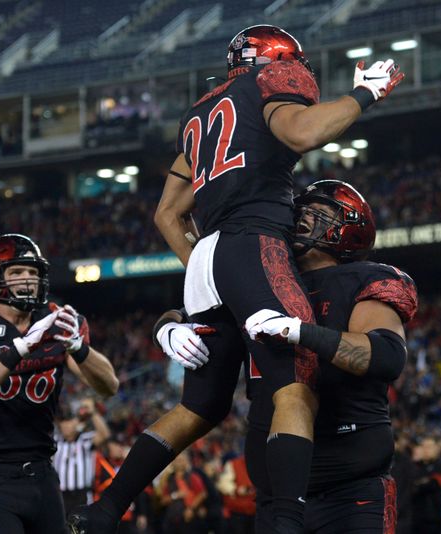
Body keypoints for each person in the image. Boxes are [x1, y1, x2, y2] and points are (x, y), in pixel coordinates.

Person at [75, 24, 404, 534]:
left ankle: (103, 510)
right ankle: (289, 523)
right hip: (252, 239)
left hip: (207, 253)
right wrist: (367, 92)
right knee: (295, 388)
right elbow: (304, 132)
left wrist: (210, 280)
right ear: (279, 60)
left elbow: (167, 214)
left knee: (199, 407)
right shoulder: (276, 79)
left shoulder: (201, 110)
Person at [241, 179, 416, 533]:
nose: (302, 219)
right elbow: (195, 308)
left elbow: (385, 355)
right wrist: (169, 326)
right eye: (300, 212)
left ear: (349, 231)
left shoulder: (365, 278)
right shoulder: (260, 278)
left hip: (349, 491)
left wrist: (301, 331)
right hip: (274, 495)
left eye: (318, 213)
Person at [0, 233, 119, 534]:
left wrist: (78, 347)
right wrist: (19, 349)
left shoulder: (56, 322)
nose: (28, 280)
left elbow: (109, 386)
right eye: (17, 272)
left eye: (33, 273)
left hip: (43, 475)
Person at [54, 399, 112, 516]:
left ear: (76, 423)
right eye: (63, 421)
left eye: (69, 421)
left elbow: (105, 434)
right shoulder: (56, 441)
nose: (65, 425)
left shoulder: (84, 440)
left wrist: (93, 413)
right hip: (59, 496)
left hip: (81, 496)